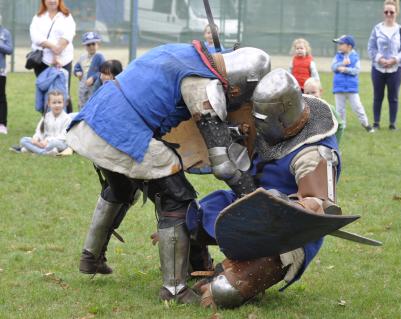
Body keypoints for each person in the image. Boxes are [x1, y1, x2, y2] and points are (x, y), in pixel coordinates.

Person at [66, 40, 270, 304]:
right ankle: (175, 290)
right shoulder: (201, 84)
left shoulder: (187, 52)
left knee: (123, 186)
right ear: (238, 86)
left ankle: (90, 257)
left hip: (96, 119)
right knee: (177, 198)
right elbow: (224, 165)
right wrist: (252, 195)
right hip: (124, 131)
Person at [188, 69, 342, 308]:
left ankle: (226, 276)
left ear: (283, 117)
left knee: (224, 291)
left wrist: (288, 204)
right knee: (187, 218)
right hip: (247, 202)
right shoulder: (265, 122)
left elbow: (318, 206)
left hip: (288, 233)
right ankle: (200, 266)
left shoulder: (314, 152)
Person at [367, 0, 401, 130]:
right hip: (378, 68)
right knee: (377, 97)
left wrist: (394, 59)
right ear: (383, 13)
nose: (389, 14)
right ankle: (376, 122)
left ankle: (392, 124)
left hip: (395, 69)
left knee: (393, 97)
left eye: (391, 12)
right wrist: (379, 59)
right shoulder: (377, 28)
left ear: (396, 13)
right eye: (386, 12)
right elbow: (371, 47)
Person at [29, 0, 76, 113]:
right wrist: (53, 48)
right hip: (43, 62)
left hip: (63, 62)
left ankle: (65, 126)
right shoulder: (38, 18)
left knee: (63, 94)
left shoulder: (66, 16)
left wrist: (57, 53)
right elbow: (35, 37)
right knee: (44, 93)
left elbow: (69, 35)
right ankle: (47, 123)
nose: (52, 1)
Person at [331, 35, 374, 133]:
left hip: (352, 88)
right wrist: (342, 63)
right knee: (340, 109)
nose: (339, 46)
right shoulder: (338, 56)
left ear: (349, 46)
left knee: (357, 107)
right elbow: (333, 67)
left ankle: (366, 124)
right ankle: (341, 126)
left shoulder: (355, 56)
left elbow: (356, 70)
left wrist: (345, 69)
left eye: (341, 44)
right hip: (339, 87)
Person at [11, 90, 71, 155]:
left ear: (64, 103)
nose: (57, 105)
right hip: (43, 144)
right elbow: (39, 131)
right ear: (49, 103)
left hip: (58, 143)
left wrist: (48, 140)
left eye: (59, 102)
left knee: (53, 144)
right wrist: (36, 139)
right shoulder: (46, 116)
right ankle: (44, 152)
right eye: (54, 103)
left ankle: (35, 150)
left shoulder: (67, 119)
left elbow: (63, 136)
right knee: (23, 140)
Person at [304, 77, 345, 143]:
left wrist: (335, 143)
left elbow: (340, 125)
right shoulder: (304, 110)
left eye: (313, 92)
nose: (310, 95)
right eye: (307, 93)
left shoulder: (329, 108)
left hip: (325, 145)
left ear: (320, 92)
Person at [74, 32, 105, 110]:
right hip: (83, 85)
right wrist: (77, 72)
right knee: (82, 104)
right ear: (85, 46)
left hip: (94, 86)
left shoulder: (100, 57)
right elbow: (77, 67)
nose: (91, 47)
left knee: (93, 105)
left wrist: (94, 78)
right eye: (88, 45)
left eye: (93, 44)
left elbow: (104, 71)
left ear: (98, 44)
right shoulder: (82, 57)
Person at [0, 14, 13, 135]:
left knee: (1, 97)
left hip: (1, 70)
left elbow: (10, 50)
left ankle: (2, 124)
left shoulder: (5, 33)